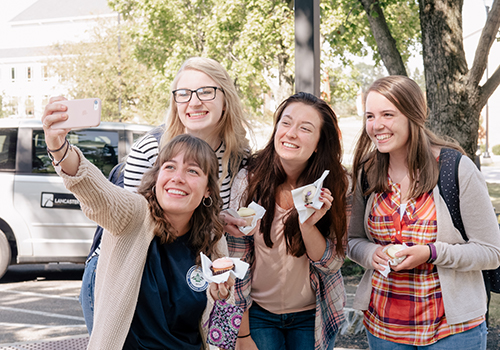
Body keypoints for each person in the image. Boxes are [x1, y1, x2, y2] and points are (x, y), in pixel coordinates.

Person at [41, 103, 235, 349]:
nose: (178, 177)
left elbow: (221, 332)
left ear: (208, 189)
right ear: (157, 178)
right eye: (170, 167)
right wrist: (59, 149)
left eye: (192, 171)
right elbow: (95, 190)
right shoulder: (134, 215)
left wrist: (222, 297)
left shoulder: (213, 239)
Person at [80, 56, 251, 333]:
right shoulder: (150, 148)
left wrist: (219, 221)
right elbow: (130, 222)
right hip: (125, 271)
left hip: (182, 273)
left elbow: (201, 218)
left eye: (206, 91)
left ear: (226, 98)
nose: (193, 102)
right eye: (183, 94)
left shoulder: (236, 157)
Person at [347, 75, 500, 349]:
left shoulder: (456, 168)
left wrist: (431, 253)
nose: (376, 125)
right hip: (384, 329)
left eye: (387, 114)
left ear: (413, 115)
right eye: (370, 116)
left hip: (453, 332)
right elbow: (353, 241)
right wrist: (372, 254)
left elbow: (491, 252)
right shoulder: (367, 173)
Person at [228, 92, 349, 350]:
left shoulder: (336, 186)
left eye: (305, 128)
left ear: (318, 143)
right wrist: (242, 334)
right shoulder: (248, 181)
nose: (291, 133)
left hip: (312, 314)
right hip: (257, 313)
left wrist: (307, 224)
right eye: (286, 122)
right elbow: (236, 262)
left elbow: (332, 263)